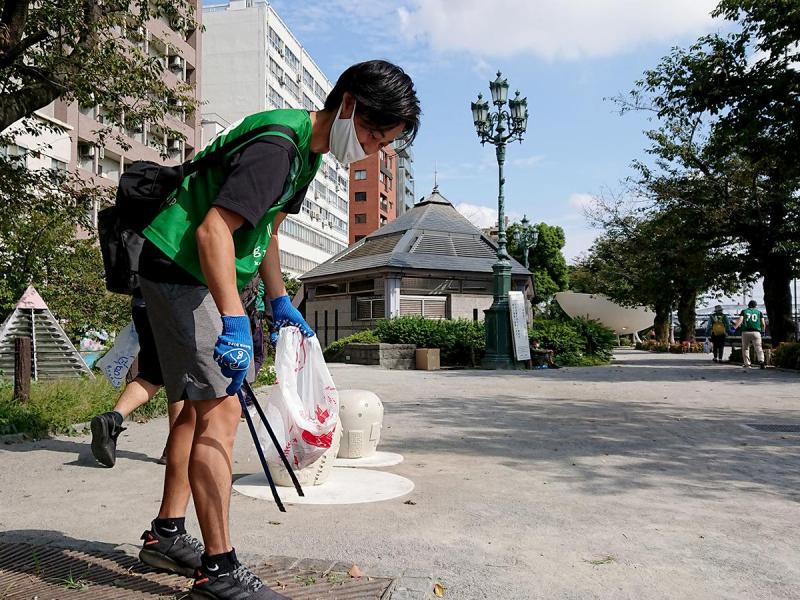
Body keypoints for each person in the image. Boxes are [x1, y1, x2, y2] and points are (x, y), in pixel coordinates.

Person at [133, 60, 420, 600]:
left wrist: (281, 298)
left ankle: (166, 535)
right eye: (374, 135)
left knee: (200, 407)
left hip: (194, 274)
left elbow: (265, 230)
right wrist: (236, 319)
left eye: (385, 145)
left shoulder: (306, 152)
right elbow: (213, 230)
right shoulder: (279, 146)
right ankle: (219, 572)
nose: (374, 151)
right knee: (221, 410)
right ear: (350, 105)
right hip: (180, 270)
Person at [90, 292, 183, 467]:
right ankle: (176, 447)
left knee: (151, 375)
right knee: (181, 377)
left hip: (143, 305)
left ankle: (113, 419)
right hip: (176, 303)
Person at [734, 300, 766, 369]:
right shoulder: (759, 312)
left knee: (745, 348)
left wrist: (734, 328)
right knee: (758, 348)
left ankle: (747, 364)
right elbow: (763, 324)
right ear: (755, 306)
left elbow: (740, 320)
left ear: (748, 305)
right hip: (756, 332)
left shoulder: (744, 311)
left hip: (746, 332)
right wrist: (763, 332)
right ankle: (761, 361)